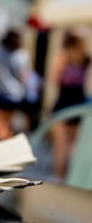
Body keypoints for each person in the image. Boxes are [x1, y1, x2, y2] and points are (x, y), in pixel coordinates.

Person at [48, 27, 91, 181]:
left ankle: (63, 176)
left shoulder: (71, 56)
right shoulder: (77, 56)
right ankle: (64, 176)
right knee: (67, 145)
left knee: (66, 146)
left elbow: (53, 77)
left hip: (70, 102)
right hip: (72, 102)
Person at [0, 29, 31, 140]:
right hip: (15, 95)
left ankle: (5, 146)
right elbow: (24, 77)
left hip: (1, 94)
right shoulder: (22, 55)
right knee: (5, 124)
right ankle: (9, 143)